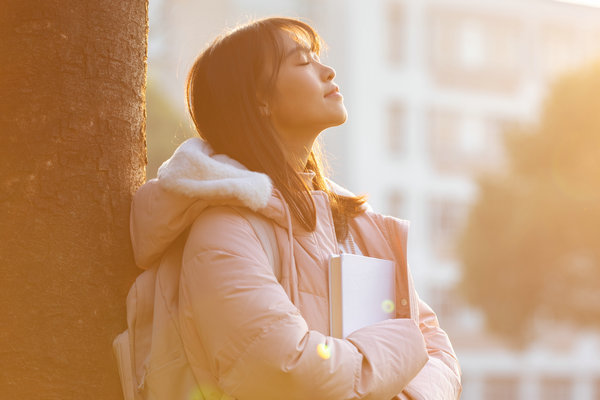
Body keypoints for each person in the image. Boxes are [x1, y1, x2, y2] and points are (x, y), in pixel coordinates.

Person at [130, 16, 461, 400]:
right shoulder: (224, 231)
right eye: (303, 62)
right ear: (259, 100)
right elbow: (288, 374)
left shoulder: (353, 226)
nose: (327, 70)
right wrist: (403, 344)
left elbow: (440, 355)